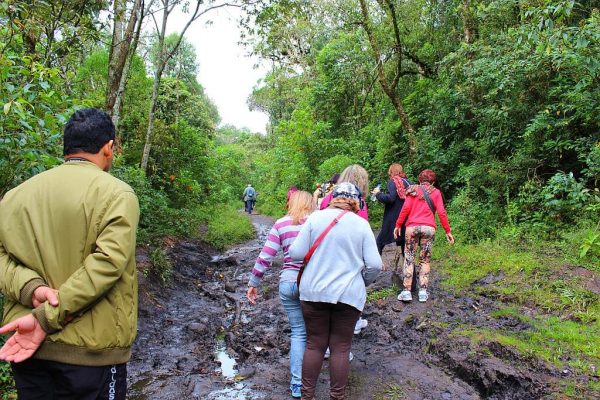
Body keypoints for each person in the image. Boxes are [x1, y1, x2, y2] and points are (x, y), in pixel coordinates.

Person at [0, 108, 140, 399]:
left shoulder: (15, 196)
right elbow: (106, 265)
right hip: (91, 352)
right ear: (108, 147)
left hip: (28, 348)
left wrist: (31, 289)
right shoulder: (117, 194)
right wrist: (47, 317)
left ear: (66, 147)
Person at [289, 183, 382, 400]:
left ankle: (307, 396)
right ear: (356, 201)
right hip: (348, 295)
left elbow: (296, 253)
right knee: (340, 348)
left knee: (314, 345)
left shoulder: (315, 218)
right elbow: (375, 265)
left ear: (333, 198)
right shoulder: (361, 225)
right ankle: (336, 396)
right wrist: (362, 281)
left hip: (313, 292)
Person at [246, 190, 316, 399]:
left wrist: (253, 282)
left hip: (288, 283)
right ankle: (317, 378)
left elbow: (265, 256)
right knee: (316, 332)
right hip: (312, 284)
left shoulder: (281, 223)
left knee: (298, 332)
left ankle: (296, 384)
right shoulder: (317, 222)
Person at [393, 169, 454, 303]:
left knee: (409, 258)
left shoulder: (412, 190)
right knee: (425, 260)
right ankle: (422, 292)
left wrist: (398, 225)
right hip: (429, 228)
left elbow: (406, 209)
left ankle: (406, 292)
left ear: (420, 179)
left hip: (412, 227)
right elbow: (442, 213)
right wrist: (447, 231)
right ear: (433, 181)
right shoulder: (436, 192)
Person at [371, 163, 412, 287]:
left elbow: (391, 198)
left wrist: (378, 194)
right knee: (405, 248)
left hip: (392, 221)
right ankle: (411, 280)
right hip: (405, 219)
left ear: (391, 172)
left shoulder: (392, 182)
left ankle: (373, 275)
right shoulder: (408, 182)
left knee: (379, 243)